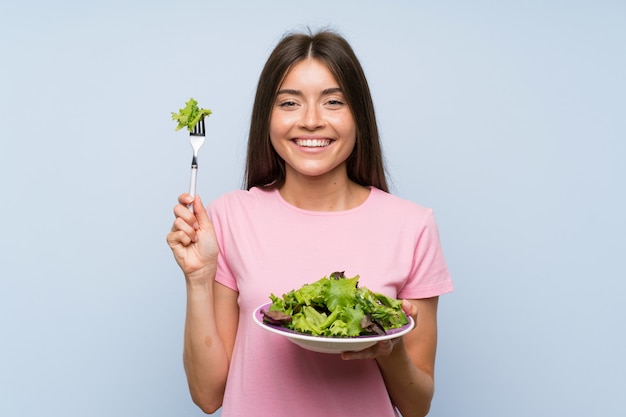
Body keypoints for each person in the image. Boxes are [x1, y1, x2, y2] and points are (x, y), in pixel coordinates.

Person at [166, 28, 453, 417]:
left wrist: (391, 344)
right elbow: (207, 395)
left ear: (359, 116)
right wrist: (198, 279)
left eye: (333, 102)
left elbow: (417, 404)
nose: (312, 121)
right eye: (289, 103)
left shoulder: (413, 226)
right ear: (267, 116)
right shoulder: (230, 217)